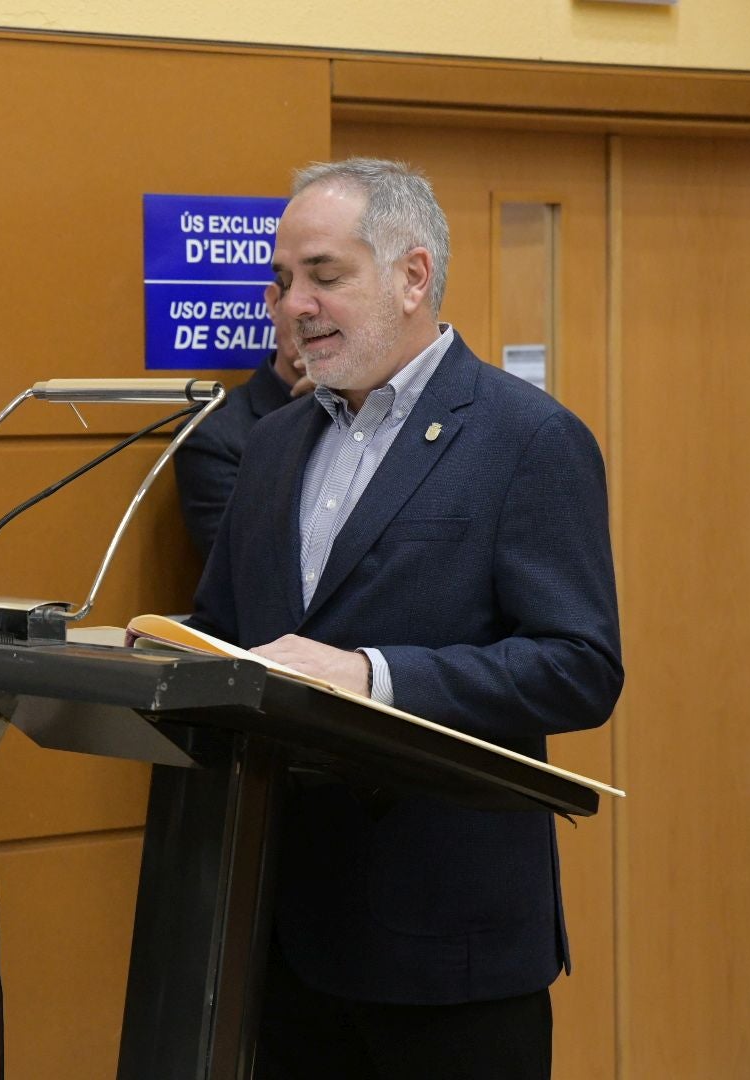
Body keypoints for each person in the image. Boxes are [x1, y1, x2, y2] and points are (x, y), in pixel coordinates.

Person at [190, 159, 622, 1079]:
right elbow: (225, 632)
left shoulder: (528, 438)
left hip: (447, 949)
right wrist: (164, 663)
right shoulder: (270, 444)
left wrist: (374, 675)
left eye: (324, 275)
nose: (294, 306)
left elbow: (579, 667)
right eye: (283, 281)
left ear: (412, 276)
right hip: (283, 940)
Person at [174, 282, 311, 558]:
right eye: (306, 304)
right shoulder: (214, 436)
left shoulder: (382, 413)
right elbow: (251, 565)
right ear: (274, 302)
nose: (320, 323)